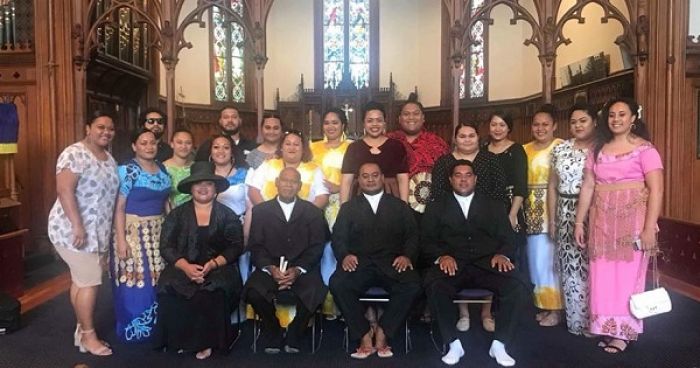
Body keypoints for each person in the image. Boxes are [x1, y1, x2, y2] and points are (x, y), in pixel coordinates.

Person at [574, 98, 663, 354]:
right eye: (612, 115)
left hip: (632, 221)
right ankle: (604, 325)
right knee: (600, 273)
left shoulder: (646, 150)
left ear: (634, 118)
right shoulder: (597, 149)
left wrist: (649, 228)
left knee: (626, 276)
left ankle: (623, 333)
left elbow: (656, 190)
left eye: (622, 115)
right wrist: (579, 221)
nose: (616, 120)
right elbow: (589, 186)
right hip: (601, 220)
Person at [422, 160, 527, 367]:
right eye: (458, 175)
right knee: (433, 285)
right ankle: (453, 343)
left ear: (475, 179)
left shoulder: (494, 205)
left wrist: (502, 254)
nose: (463, 179)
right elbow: (425, 240)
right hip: (453, 264)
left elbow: (508, 238)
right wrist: (441, 256)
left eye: (468, 175)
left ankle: (500, 343)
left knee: (518, 284)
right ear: (451, 180)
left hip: (486, 263)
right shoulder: (436, 206)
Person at [330, 162, 422, 359]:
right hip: (359, 264)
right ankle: (364, 334)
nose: (370, 179)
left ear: (382, 178)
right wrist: (345, 255)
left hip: (392, 264)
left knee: (413, 284)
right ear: (359, 180)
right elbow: (338, 237)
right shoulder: (348, 208)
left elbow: (413, 235)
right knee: (338, 284)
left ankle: (383, 331)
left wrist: (407, 255)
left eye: (374, 175)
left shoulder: (399, 206)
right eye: (365, 176)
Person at [154, 161, 244, 360]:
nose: (203, 188)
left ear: (215, 189)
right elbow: (166, 247)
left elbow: (236, 246)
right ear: (191, 188)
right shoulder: (176, 215)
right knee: (169, 286)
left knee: (211, 292)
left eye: (208, 184)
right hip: (182, 265)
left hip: (219, 266)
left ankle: (208, 342)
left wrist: (212, 264)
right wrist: (186, 267)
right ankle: (179, 340)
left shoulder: (227, 215)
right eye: (198, 184)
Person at [47, 111, 119, 356]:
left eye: (110, 129)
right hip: (71, 229)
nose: (106, 132)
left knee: (81, 280)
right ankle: (89, 336)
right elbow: (64, 190)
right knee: (90, 281)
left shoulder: (109, 159)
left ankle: (81, 330)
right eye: (100, 127)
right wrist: (77, 225)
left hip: (96, 231)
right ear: (88, 127)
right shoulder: (74, 153)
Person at [430, 122, 507, 333]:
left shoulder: (490, 159)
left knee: (488, 256)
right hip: (453, 221)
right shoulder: (445, 162)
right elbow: (437, 193)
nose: (466, 139)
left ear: (478, 137)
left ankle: (486, 312)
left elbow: (500, 191)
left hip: (486, 220)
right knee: (456, 256)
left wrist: (498, 216)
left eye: (471, 135)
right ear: (454, 139)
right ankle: (463, 312)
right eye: (462, 136)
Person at [244, 167, 328, 354]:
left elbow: (317, 246)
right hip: (270, 267)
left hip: (301, 268)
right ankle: (273, 329)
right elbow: (255, 246)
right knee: (253, 291)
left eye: (293, 182)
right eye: (285, 180)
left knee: (317, 290)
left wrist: (298, 270)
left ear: (299, 186)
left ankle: (295, 332)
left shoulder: (312, 212)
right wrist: (271, 269)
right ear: (276, 182)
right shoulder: (261, 211)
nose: (288, 185)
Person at [111, 128, 171, 343]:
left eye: (152, 142)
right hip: (133, 232)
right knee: (136, 279)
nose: (149, 147)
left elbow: (166, 201)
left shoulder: (162, 168)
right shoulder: (127, 170)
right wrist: (120, 240)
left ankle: (157, 326)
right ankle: (135, 327)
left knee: (157, 278)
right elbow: (119, 207)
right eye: (143, 143)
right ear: (134, 146)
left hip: (158, 231)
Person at [546, 103, 597, 336]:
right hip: (564, 211)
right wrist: (553, 219)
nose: (577, 125)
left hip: (594, 212)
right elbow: (552, 186)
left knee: (593, 267)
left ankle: (596, 321)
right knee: (569, 267)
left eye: (583, 120)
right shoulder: (560, 149)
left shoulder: (602, 148)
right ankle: (575, 321)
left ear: (595, 122)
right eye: (574, 121)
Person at [523, 104, 564, 326]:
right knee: (535, 260)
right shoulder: (524, 149)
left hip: (552, 208)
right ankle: (543, 305)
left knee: (550, 261)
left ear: (554, 126)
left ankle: (556, 309)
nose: (540, 128)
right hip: (529, 210)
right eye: (536, 124)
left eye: (545, 124)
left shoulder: (561, 147)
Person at [309, 108, 353, 318]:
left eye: (335, 122)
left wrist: (340, 188)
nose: (331, 126)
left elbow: (361, 176)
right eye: (327, 122)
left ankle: (344, 304)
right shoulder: (312, 148)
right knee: (322, 251)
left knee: (341, 250)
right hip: (317, 204)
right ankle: (325, 305)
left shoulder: (352, 148)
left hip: (343, 202)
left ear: (343, 125)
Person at [484, 112, 528, 274]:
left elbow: (520, 186)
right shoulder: (482, 150)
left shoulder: (516, 150)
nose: (497, 129)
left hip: (510, 205)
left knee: (512, 253)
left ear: (509, 128)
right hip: (487, 207)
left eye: (502, 125)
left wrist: (512, 214)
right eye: (494, 124)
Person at [340, 101, 409, 204]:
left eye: (379, 120)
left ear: (384, 122)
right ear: (363, 123)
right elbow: (346, 182)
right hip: (360, 202)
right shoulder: (354, 148)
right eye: (370, 121)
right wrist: (343, 209)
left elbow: (403, 179)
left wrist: (404, 207)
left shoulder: (397, 146)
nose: (374, 124)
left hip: (391, 201)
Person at [387, 99, 449, 213]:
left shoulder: (437, 144)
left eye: (416, 114)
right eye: (406, 114)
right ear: (399, 119)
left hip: (429, 208)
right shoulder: (388, 142)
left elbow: (446, 177)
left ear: (423, 118)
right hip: (393, 205)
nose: (411, 117)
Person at [247, 130, 329, 209]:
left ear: (303, 149)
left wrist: (307, 215)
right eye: (288, 144)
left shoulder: (315, 170)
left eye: (296, 144)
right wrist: (267, 213)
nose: (291, 148)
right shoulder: (267, 165)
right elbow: (254, 190)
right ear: (281, 147)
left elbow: (322, 196)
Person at [163, 128, 194, 209]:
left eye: (188, 143)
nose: (184, 146)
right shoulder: (163, 168)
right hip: (170, 213)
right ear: (172, 144)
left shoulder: (196, 168)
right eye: (179, 142)